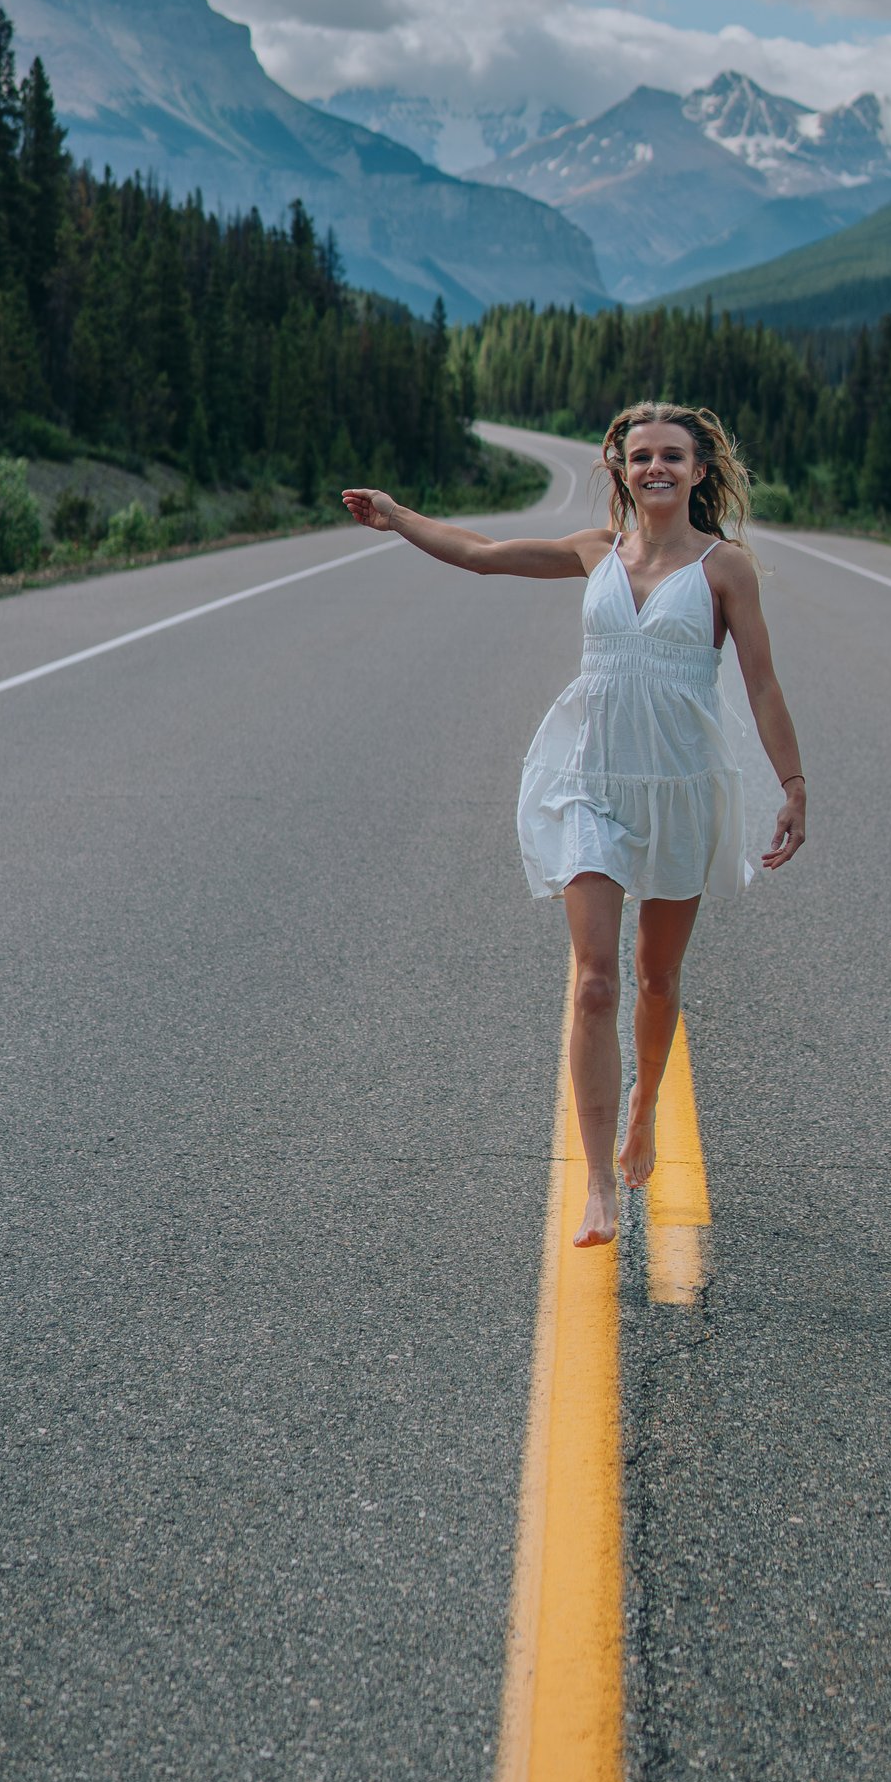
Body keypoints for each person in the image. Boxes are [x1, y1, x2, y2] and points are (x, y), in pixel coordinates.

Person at [342, 403, 807, 1246]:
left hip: (678, 791)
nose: (656, 467)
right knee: (595, 980)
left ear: (701, 471)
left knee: (655, 980)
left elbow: (764, 685)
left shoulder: (724, 568)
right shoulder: (596, 551)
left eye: (673, 456)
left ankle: (642, 1105)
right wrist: (397, 516)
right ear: (622, 469)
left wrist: (794, 784)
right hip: (590, 784)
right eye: (641, 456)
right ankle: (598, 1185)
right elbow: (482, 556)